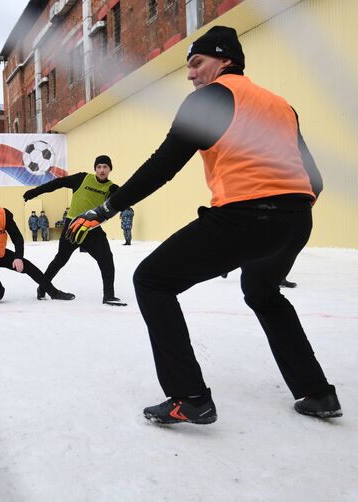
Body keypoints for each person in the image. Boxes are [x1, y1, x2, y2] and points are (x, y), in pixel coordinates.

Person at [67, 26, 340, 423]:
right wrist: (288, 213)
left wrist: (105, 209)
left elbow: (163, 165)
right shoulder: (281, 105)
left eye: (197, 63)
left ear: (225, 59)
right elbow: (314, 179)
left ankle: (189, 396)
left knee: (152, 280)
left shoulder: (212, 98)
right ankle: (317, 393)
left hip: (244, 216)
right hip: (297, 220)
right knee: (263, 292)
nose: (191, 74)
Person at [24, 155, 125, 306]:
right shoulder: (82, 178)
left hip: (92, 228)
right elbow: (59, 183)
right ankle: (43, 287)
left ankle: (109, 296)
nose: (102, 170)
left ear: (110, 169)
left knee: (107, 260)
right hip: (73, 226)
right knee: (60, 260)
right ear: (95, 169)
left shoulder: (111, 188)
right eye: (99, 167)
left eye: (105, 167)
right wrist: (35, 192)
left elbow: (122, 200)